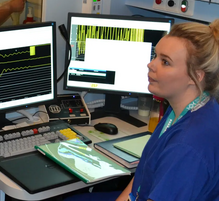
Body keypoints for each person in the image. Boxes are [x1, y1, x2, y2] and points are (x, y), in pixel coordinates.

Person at [66, 20, 219, 201]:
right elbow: (142, 176)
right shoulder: (188, 108)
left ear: (196, 76)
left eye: (165, 62)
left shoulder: (186, 147)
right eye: (155, 56)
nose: (150, 65)